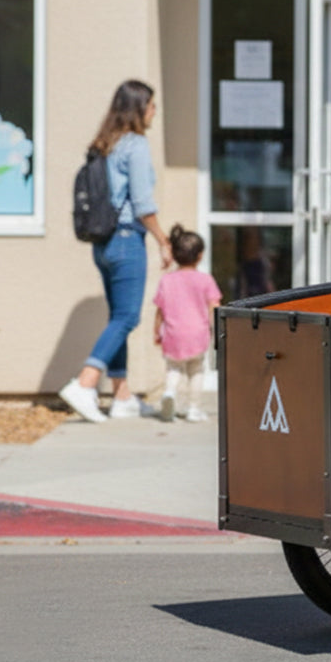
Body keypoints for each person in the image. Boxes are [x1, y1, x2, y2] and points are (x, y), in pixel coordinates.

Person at [58, 79, 174, 423]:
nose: (154, 111)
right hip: (125, 239)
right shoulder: (135, 145)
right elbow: (142, 203)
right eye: (151, 105)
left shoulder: (105, 143)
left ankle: (122, 396)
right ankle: (85, 383)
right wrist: (163, 240)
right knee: (128, 318)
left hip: (103, 243)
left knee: (118, 317)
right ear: (138, 109)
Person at [152, 224, 222, 422]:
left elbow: (160, 310)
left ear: (174, 255)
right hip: (198, 334)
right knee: (196, 370)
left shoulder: (167, 280)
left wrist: (156, 331)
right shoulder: (205, 280)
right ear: (200, 255)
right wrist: (217, 329)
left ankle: (169, 393)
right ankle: (194, 409)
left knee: (173, 368)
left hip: (173, 334)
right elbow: (214, 306)